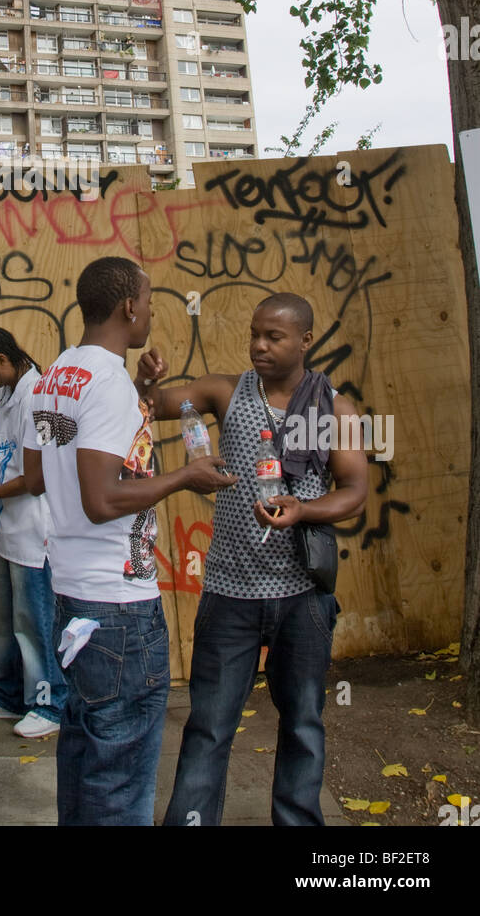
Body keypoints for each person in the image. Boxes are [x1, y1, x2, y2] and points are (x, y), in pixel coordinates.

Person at [137, 292, 369, 827]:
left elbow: (355, 489)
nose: (259, 346)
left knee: (304, 724)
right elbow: (158, 405)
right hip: (229, 595)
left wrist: (304, 508)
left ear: (305, 341)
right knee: (210, 725)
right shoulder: (226, 391)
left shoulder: (336, 409)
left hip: (303, 597)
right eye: (254, 334)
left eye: (274, 337)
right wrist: (147, 382)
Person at [22, 256, 237, 826]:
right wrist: (186, 476)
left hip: (71, 598)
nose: (149, 312)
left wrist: (143, 392)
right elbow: (102, 499)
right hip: (117, 609)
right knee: (119, 781)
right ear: (129, 307)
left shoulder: (55, 376)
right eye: (148, 301)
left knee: (86, 755)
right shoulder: (107, 382)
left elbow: (51, 471)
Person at [0, 325, 67, 740]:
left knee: (35, 624)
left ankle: (50, 704)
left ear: (2, 360)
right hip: (7, 531)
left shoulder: (37, 398)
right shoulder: (7, 393)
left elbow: (36, 480)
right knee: (3, 622)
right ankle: (5, 696)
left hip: (34, 534)